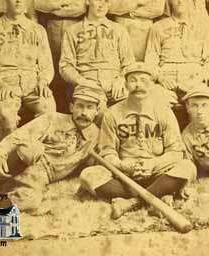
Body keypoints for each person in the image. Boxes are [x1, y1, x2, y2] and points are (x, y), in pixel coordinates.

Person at [80, 63, 196, 219]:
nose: (138, 85)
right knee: (88, 175)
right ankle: (159, 195)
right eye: (133, 80)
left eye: (144, 80)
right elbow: (107, 152)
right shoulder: (112, 113)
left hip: (157, 171)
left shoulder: (163, 111)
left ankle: (131, 202)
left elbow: (175, 151)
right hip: (125, 175)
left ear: (152, 84)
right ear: (126, 84)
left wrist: (153, 164)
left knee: (187, 167)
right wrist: (123, 165)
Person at [0, 85, 104, 213]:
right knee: (32, 148)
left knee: (30, 202)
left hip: (42, 176)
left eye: (90, 107)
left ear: (97, 110)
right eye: (80, 106)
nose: (84, 113)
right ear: (71, 107)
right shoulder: (52, 118)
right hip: (20, 163)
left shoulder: (97, 136)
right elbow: (18, 136)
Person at [0, 0, 56, 142]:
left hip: (33, 84)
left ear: (28, 0)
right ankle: (5, 160)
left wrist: (43, 82)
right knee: (7, 116)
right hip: (6, 84)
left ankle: (34, 156)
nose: (19, 0)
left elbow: (46, 66)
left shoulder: (38, 31)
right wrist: (0, 84)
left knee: (49, 109)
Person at [59, 0, 135, 105]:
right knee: (97, 112)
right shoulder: (73, 31)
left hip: (115, 83)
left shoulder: (119, 30)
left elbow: (128, 63)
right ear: (88, 1)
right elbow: (65, 66)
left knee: (129, 109)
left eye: (106, 1)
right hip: (86, 84)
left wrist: (121, 80)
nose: (102, 5)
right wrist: (81, 81)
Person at [145, 0, 209, 105]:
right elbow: (151, 60)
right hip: (166, 80)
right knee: (154, 101)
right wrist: (160, 77)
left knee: (203, 104)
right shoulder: (158, 27)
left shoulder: (202, 27)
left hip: (194, 79)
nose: (180, 0)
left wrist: (199, 78)